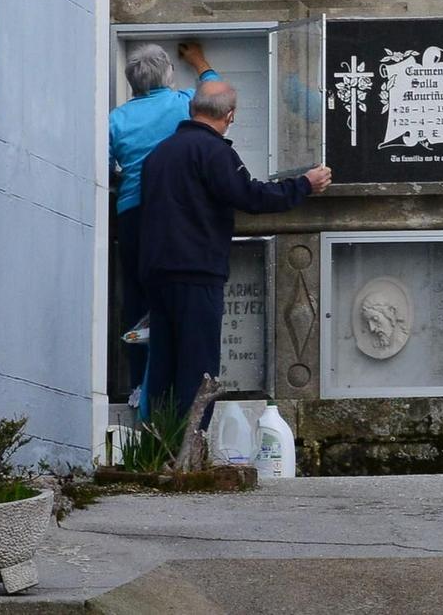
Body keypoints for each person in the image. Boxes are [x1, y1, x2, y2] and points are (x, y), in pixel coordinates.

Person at [139, 80, 330, 422]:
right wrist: (304, 185)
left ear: (191, 109)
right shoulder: (214, 152)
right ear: (230, 116)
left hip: (156, 273)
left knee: (163, 368)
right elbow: (250, 196)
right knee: (198, 370)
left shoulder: (158, 154)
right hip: (197, 272)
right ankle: (190, 455)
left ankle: (157, 452)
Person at [107, 41, 218, 403]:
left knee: (138, 300)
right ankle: (179, 387)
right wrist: (200, 62)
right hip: (176, 214)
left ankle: (141, 385)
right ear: (168, 74)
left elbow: (107, 169)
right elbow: (217, 97)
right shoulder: (182, 102)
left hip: (133, 215)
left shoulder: (116, 119)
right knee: (180, 300)